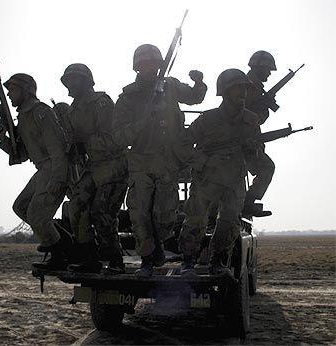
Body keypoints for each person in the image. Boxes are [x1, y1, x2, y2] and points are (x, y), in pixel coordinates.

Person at [113, 44, 207, 277]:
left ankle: (160, 249)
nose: (150, 68)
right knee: (140, 214)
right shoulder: (127, 97)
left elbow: (195, 98)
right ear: (137, 67)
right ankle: (147, 259)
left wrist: (199, 82)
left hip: (167, 161)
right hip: (141, 162)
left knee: (165, 214)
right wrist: (141, 123)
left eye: (154, 63)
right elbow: (118, 136)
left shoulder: (171, 86)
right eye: (145, 64)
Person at [178, 69, 261, 277]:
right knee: (195, 220)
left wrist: (253, 150)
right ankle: (188, 262)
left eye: (244, 89)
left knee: (230, 223)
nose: (242, 93)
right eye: (237, 89)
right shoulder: (208, 119)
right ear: (224, 92)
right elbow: (184, 144)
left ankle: (218, 261)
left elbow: (257, 156)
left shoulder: (251, 120)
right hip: (208, 178)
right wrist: (202, 163)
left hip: (235, 179)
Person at [0, 73, 69, 270]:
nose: (9, 95)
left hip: (53, 167)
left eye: (13, 90)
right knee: (21, 206)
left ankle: (60, 255)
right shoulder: (25, 116)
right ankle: (63, 242)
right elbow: (22, 155)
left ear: (26, 90)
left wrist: (58, 178)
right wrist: (4, 138)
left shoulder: (40, 112)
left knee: (37, 215)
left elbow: (58, 148)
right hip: (42, 168)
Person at [60, 63, 128, 274]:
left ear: (85, 81)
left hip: (113, 166)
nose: (68, 86)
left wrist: (84, 142)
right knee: (76, 206)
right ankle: (88, 258)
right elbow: (74, 142)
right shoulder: (72, 110)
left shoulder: (101, 102)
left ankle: (115, 260)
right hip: (93, 167)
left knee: (102, 212)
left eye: (73, 80)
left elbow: (114, 138)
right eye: (67, 81)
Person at [243, 51, 277, 217]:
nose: (269, 74)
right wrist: (265, 107)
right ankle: (247, 202)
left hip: (249, 139)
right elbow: (252, 117)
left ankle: (247, 202)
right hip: (242, 140)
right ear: (259, 68)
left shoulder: (251, 86)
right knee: (266, 167)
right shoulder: (248, 87)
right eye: (267, 70)